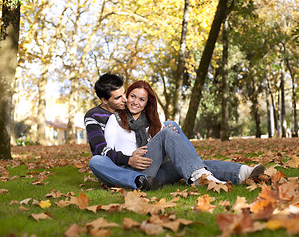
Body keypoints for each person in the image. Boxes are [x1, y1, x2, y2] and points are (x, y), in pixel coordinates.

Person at [100, 80, 264, 186]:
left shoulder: (152, 123)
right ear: (127, 96)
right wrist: (130, 157)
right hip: (133, 172)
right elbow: (107, 153)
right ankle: (198, 175)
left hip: (156, 173)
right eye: (133, 96)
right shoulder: (115, 120)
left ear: (146, 104)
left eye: (141, 99)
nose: (135, 102)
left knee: (171, 130)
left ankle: (242, 173)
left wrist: (171, 138)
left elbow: (159, 154)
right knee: (170, 134)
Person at [85, 73, 163, 190]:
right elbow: (101, 150)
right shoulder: (93, 116)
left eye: (124, 93)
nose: (125, 99)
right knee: (96, 161)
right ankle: (139, 180)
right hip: (113, 165)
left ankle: (149, 180)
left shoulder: (130, 107)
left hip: (140, 160)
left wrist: (166, 128)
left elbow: (149, 120)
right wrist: (129, 159)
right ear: (105, 100)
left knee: (172, 126)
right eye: (117, 98)